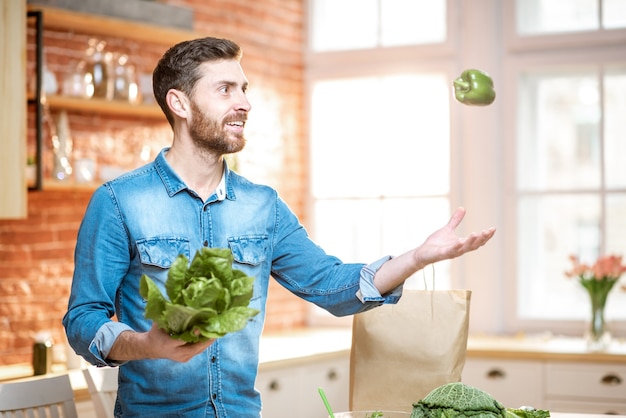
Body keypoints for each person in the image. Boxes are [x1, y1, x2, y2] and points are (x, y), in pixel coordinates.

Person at [63, 37, 495, 417]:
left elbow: (331, 284)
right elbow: (83, 319)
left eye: (244, 89)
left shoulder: (262, 205)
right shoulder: (120, 201)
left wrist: (417, 256)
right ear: (179, 104)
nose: (244, 103)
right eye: (225, 89)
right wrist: (146, 345)